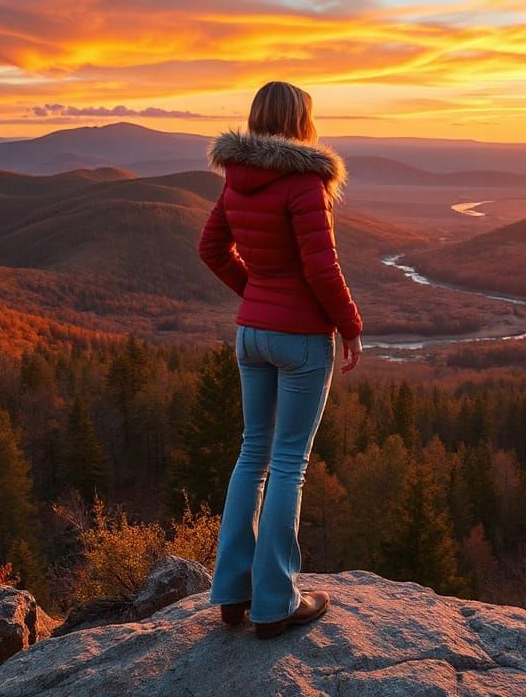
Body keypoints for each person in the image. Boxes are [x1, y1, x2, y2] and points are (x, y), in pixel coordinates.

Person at [198, 80, 363, 639]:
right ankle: (274, 603)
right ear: (301, 120)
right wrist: (350, 326)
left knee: (252, 456)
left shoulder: (236, 180)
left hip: (251, 335)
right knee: (288, 463)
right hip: (300, 339)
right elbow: (321, 267)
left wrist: (255, 294)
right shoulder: (305, 181)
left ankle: (231, 593)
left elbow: (210, 248)